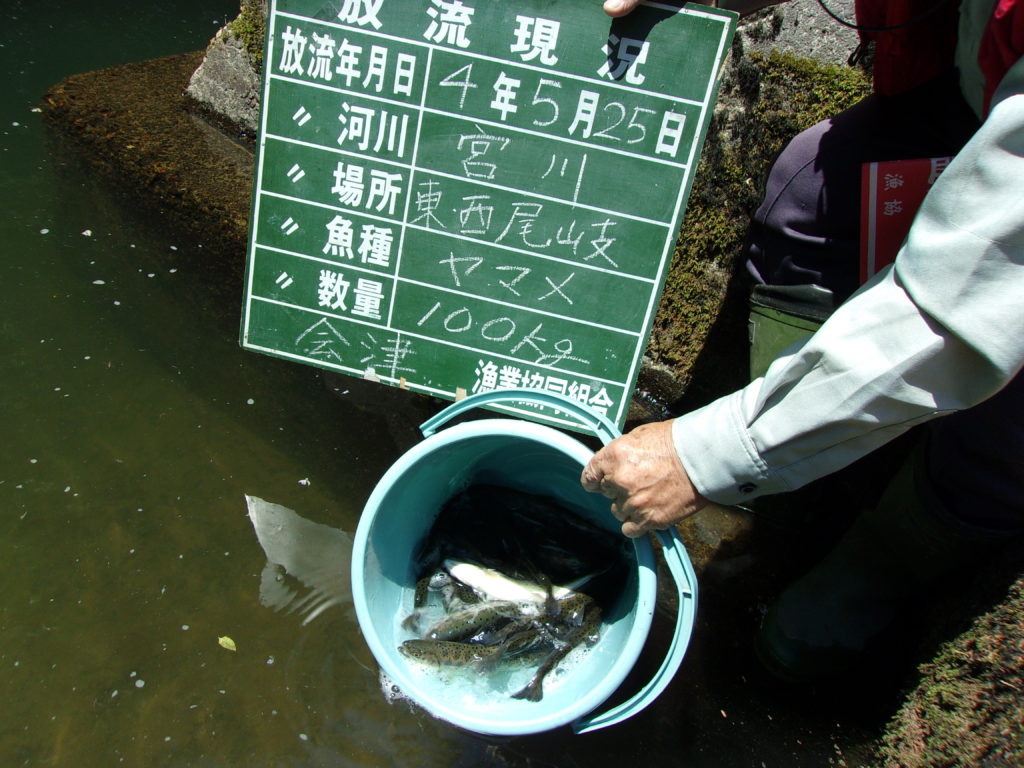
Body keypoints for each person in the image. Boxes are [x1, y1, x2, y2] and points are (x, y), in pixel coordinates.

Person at [583, 0, 1024, 679]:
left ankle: (879, 562)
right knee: (809, 187)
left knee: (1002, 415)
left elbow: (958, 309)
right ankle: (797, 480)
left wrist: (710, 452)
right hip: (980, 90)